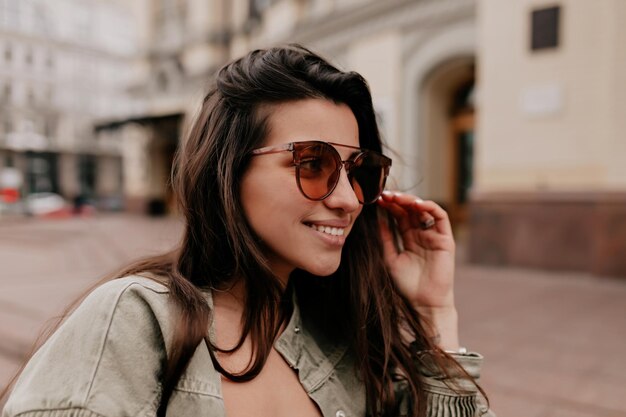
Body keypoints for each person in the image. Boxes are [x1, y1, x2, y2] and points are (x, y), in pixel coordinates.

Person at [2, 45, 492, 417]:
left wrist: (434, 311)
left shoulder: (346, 338)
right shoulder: (137, 318)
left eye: (359, 170)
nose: (347, 199)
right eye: (313, 163)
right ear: (227, 171)